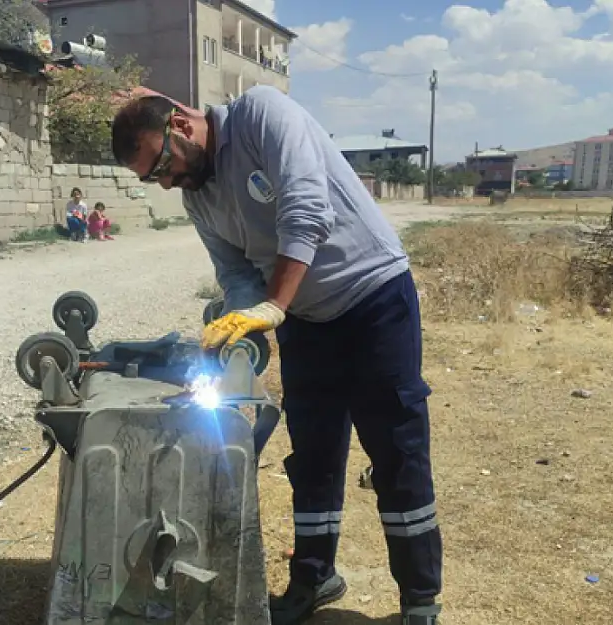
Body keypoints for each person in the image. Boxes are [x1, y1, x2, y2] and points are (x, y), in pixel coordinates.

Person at [110, 86, 444, 625]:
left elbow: (306, 211)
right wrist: (242, 323)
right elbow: (237, 273)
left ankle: (420, 601)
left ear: (180, 124)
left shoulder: (263, 115)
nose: (166, 182)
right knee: (312, 453)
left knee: (396, 451)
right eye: (153, 179)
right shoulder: (199, 197)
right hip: (303, 318)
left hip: (373, 298)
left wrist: (272, 306)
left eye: (163, 165)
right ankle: (314, 578)